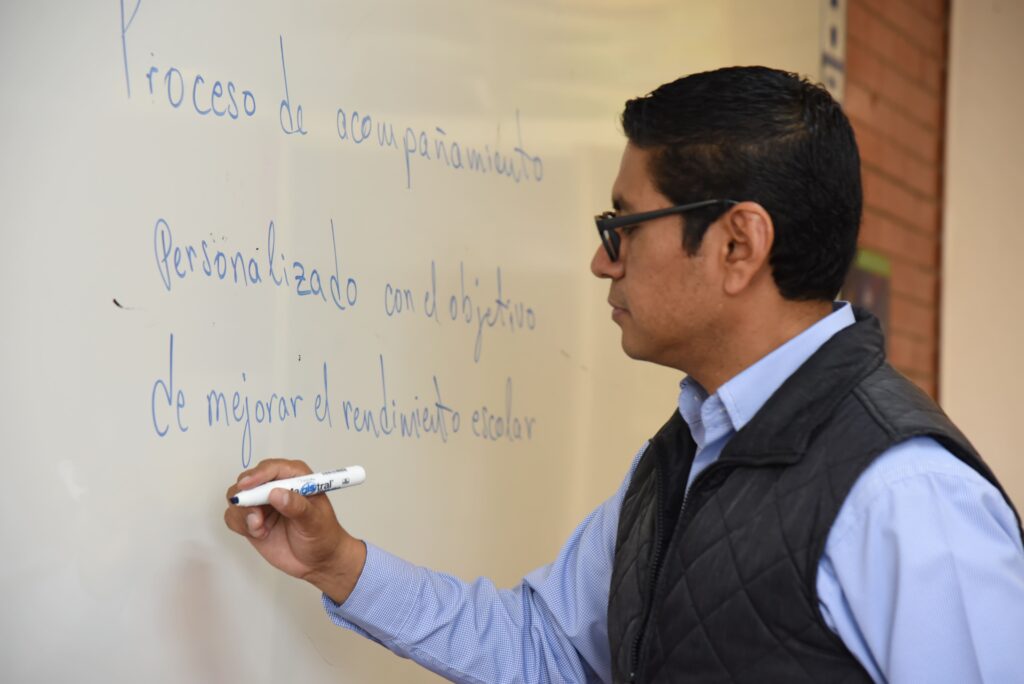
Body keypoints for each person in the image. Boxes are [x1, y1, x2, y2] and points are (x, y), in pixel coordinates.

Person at [224, 66, 1024, 683]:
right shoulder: (685, 456)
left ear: (738, 245)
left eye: (623, 225)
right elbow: (545, 647)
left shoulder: (905, 497)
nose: (602, 262)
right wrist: (337, 563)